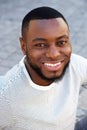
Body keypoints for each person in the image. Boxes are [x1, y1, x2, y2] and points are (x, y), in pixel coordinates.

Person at [0, 6, 87, 130]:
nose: (54, 54)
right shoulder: (5, 95)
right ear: (23, 46)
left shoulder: (75, 65)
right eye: (40, 45)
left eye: (61, 42)